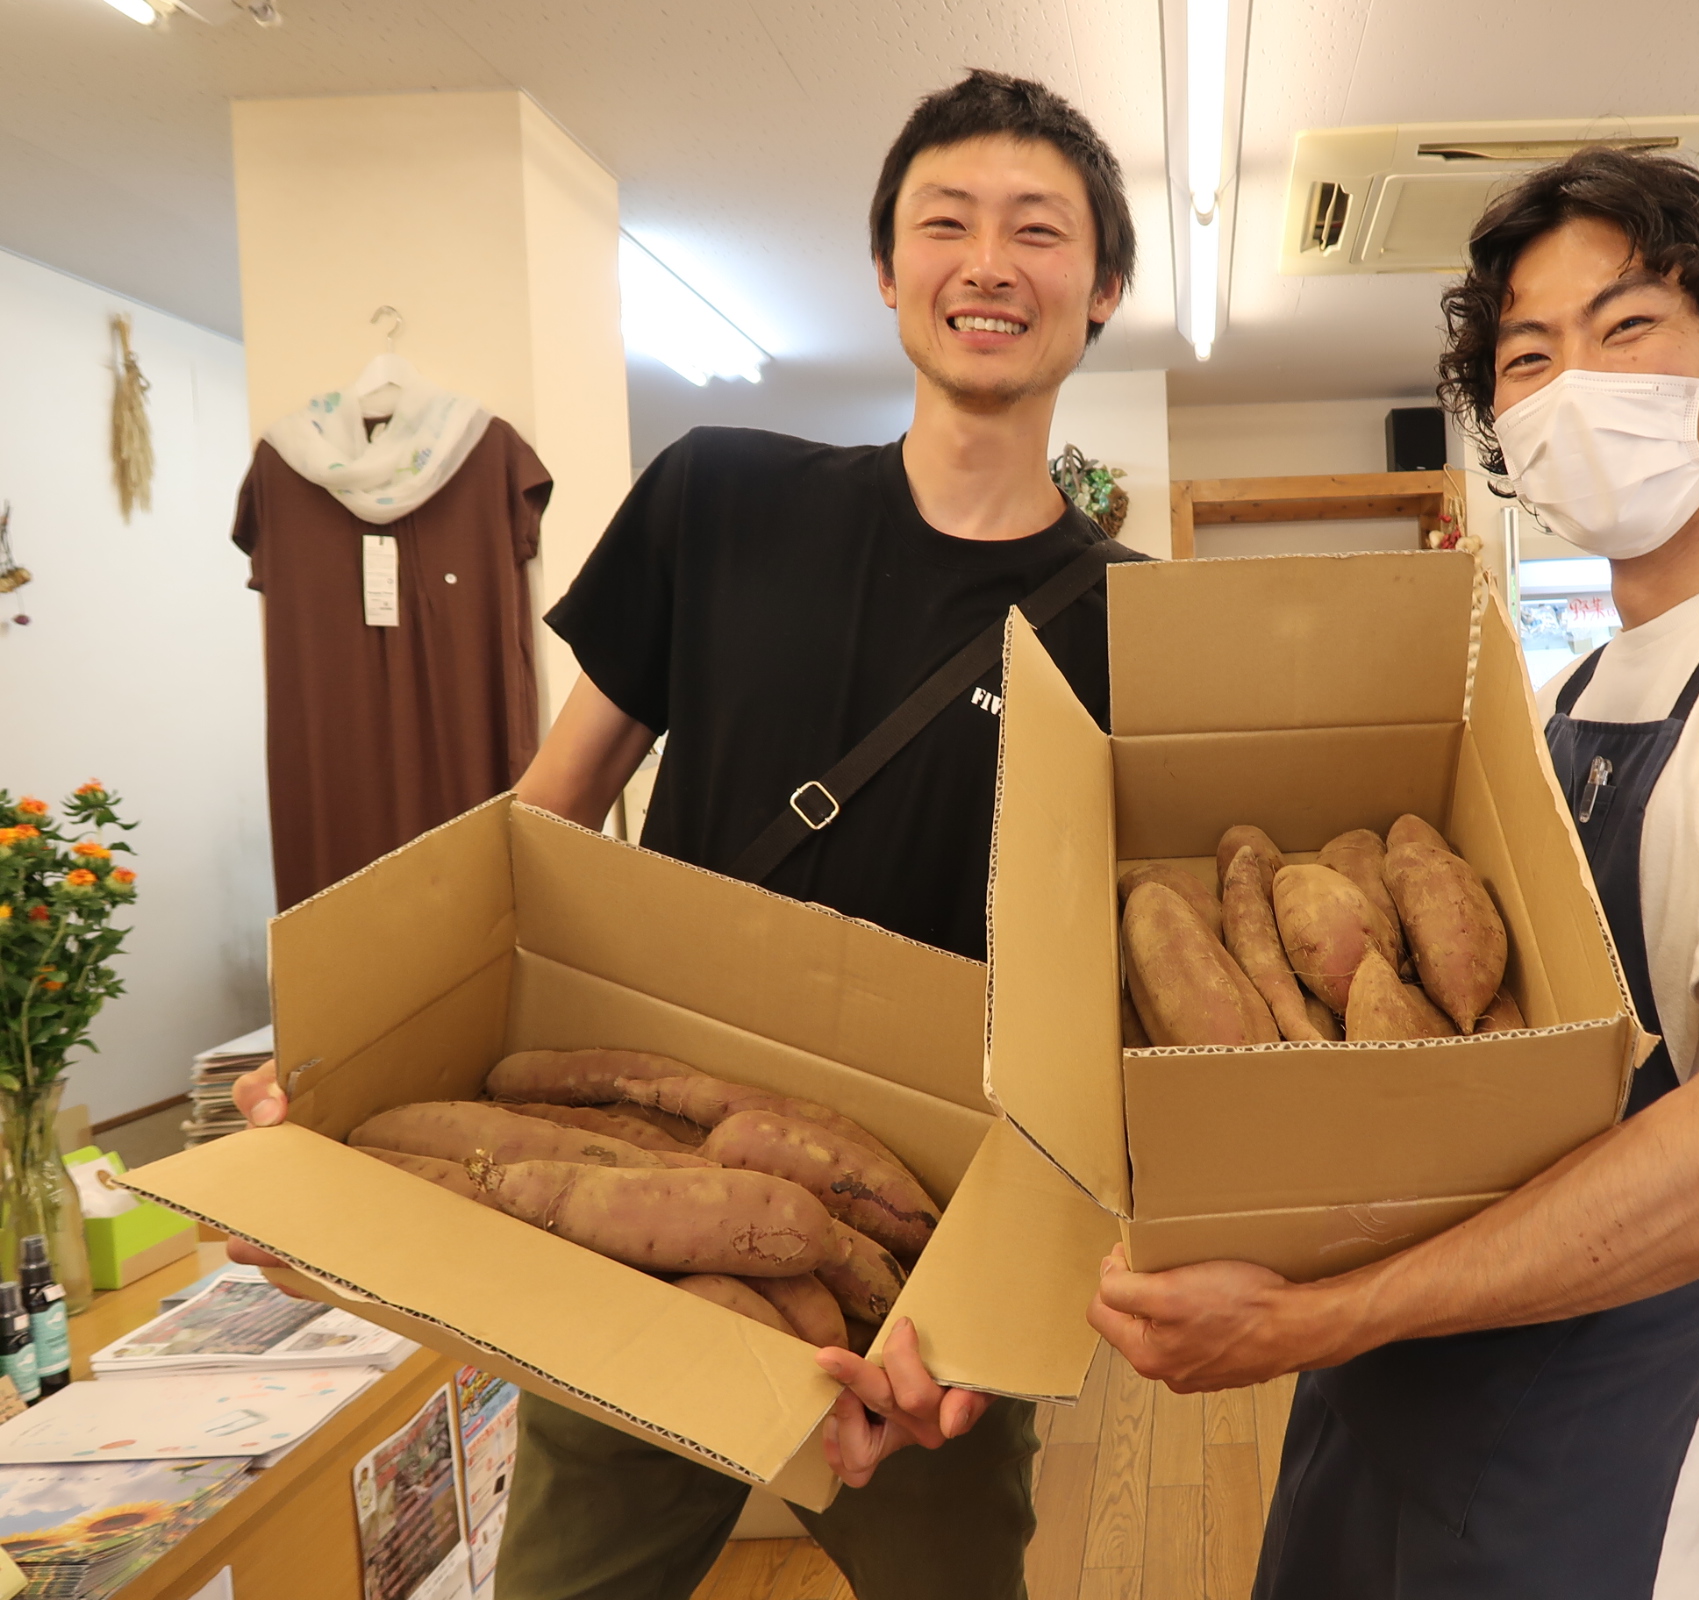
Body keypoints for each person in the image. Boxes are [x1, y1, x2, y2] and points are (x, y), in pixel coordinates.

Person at [228, 68, 1140, 1600]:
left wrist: (1002, 1299)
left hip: (929, 1268)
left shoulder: (1134, 626)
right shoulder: (721, 499)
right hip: (642, 1188)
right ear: (888, 269)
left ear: (1100, 286)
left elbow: (1100, 1016)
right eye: (946, 221)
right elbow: (549, 810)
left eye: (1038, 231)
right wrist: (358, 1039)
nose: (989, 261)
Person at [1086, 146, 1699, 1600]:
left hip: (1597, 1433)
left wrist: (1325, 1315)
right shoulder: (1570, 694)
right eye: (1526, 355)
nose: (1573, 386)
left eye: (1627, 330)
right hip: (1392, 1395)